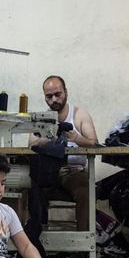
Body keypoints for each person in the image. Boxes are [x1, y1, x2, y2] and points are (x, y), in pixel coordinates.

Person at [29, 75, 98, 232]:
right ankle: (34, 241)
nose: (54, 99)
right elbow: (31, 145)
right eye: (49, 96)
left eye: (58, 94)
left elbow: (94, 143)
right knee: (29, 190)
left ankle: (84, 243)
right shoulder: (41, 119)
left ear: (66, 92)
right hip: (48, 174)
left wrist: (77, 138)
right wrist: (46, 139)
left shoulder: (79, 115)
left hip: (73, 173)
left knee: (86, 191)